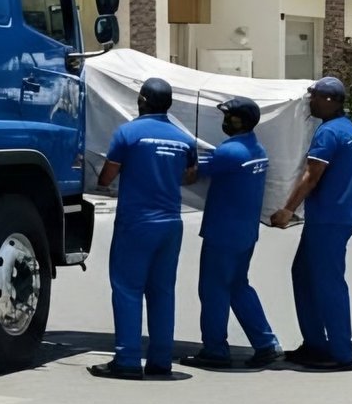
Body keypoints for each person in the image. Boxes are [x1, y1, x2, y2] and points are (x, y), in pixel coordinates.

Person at [92, 75, 198, 381]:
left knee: (127, 289)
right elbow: (189, 176)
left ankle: (126, 359)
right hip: (170, 223)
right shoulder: (184, 139)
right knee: (162, 291)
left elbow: (106, 177)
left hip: (137, 222)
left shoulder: (127, 133)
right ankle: (160, 360)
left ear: (142, 102)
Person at [269, 74, 352, 371]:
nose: (310, 102)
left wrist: (286, 209)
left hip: (329, 219)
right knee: (304, 275)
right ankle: (315, 343)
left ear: (329, 100)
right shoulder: (346, 129)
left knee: (327, 283)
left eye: (314, 97)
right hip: (337, 215)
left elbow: (312, 175)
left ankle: (340, 352)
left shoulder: (329, 133)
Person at [183, 96, 282, 370]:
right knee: (239, 286)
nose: (224, 121)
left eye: (229, 116)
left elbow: (190, 175)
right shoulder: (257, 149)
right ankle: (266, 343)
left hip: (222, 232)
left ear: (240, 120)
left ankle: (215, 349)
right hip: (245, 232)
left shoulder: (230, 152)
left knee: (213, 290)